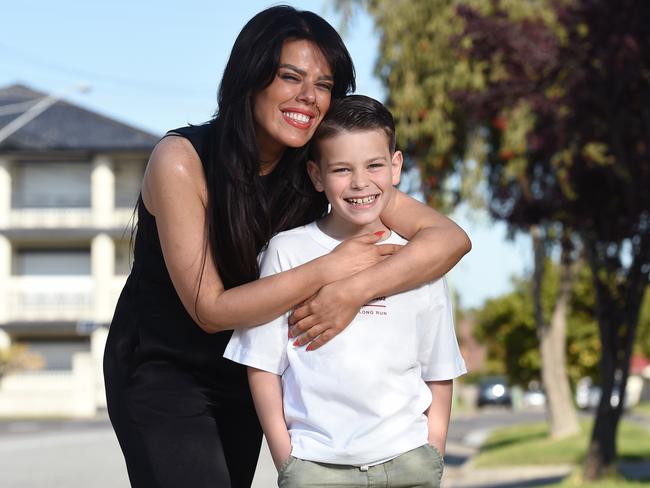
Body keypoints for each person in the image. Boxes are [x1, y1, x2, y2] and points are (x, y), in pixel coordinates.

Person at [103, 6, 471, 488]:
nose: (308, 97)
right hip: (166, 369)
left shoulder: (321, 169)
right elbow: (210, 310)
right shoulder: (181, 162)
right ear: (250, 79)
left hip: (248, 370)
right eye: (290, 77)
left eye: (323, 84)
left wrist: (355, 290)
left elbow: (448, 240)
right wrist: (329, 269)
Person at [224, 95, 467, 488]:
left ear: (395, 167)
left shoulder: (421, 259)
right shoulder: (288, 251)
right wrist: (287, 460)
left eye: (374, 165)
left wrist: (432, 451)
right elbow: (262, 365)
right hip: (316, 467)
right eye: (341, 169)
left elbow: (439, 368)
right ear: (317, 176)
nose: (360, 182)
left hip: (408, 463)